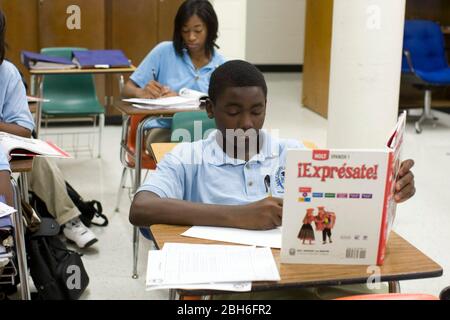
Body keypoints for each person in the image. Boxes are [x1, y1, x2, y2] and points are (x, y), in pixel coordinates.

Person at [130, 60, 416, 299]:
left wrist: (387, 190)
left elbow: (339, 210)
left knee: (371, 289)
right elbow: (141, 208)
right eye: (233, 112)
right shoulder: (187, 158)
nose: (246, 123)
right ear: (209, 109)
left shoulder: (292, 154)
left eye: (257, 111)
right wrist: (240, 216)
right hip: (237, 284)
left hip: (301, 272)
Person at [0, 9, 97, 248]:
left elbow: (24, 128)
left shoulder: (7, 73)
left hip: (3, 141)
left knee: (38, 158)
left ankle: (69, 219)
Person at [122, 0, 226, 147]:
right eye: (185, 30)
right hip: (165, 128)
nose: (191, 37)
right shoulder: (163, 52)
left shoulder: (221, 65)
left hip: (206, 130)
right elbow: (126, 90)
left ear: (210, 29)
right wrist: (142, 92)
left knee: (226, 148)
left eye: (197, 30)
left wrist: (180, 97)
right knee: (172, 151)